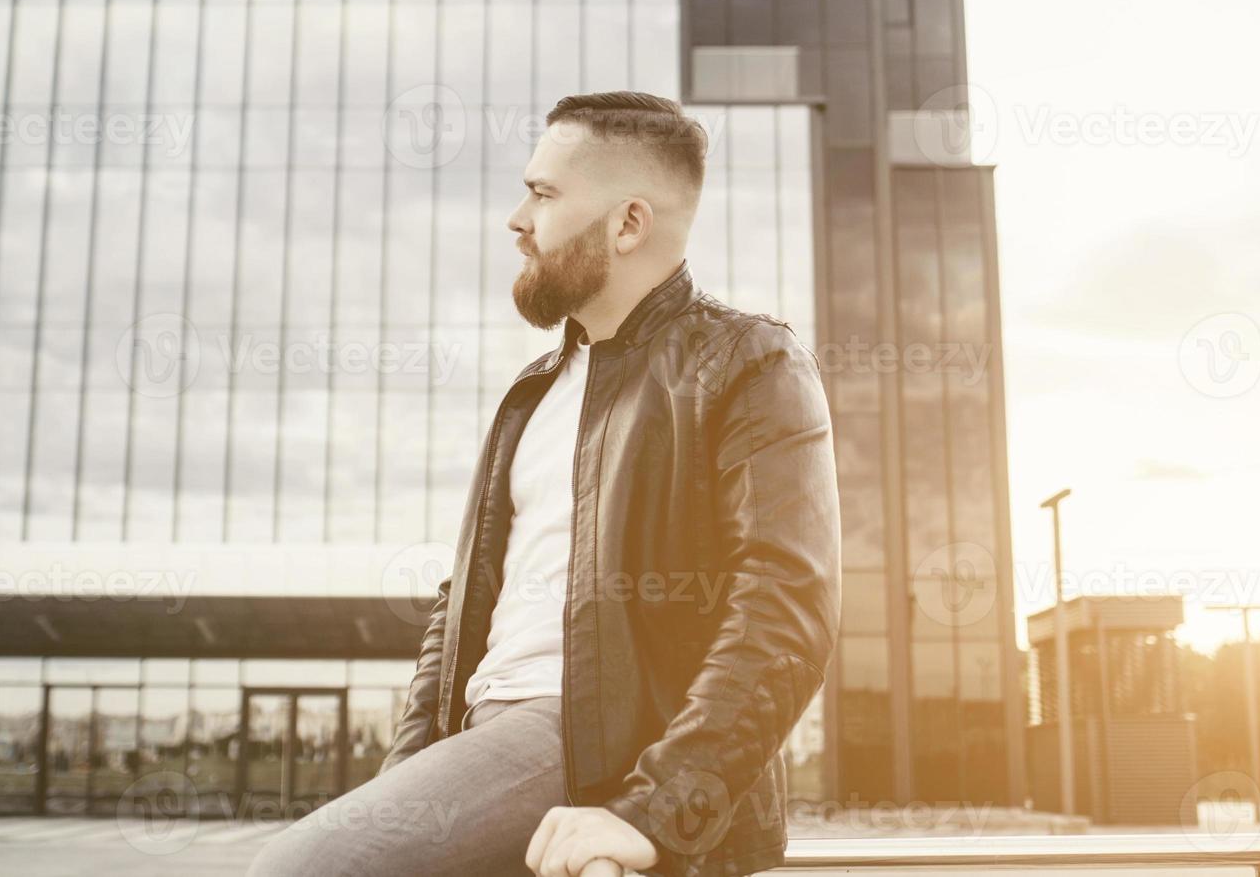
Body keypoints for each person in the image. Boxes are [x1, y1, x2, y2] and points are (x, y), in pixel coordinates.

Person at [248, 91, 841, 877]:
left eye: (544, 193)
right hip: (484, 735)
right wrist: (411, 784)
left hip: (590, 738)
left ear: (628, 224)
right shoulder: (534, 390)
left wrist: (654, 812)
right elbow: (459, 607)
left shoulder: (747, 361)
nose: (516, 218)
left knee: (295, 871)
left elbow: (785, 603)